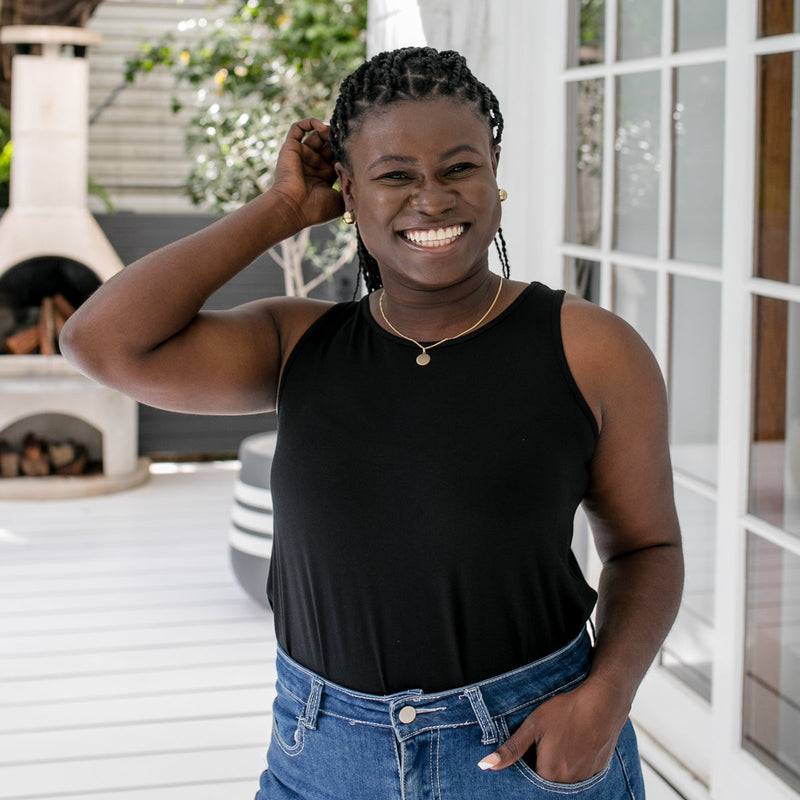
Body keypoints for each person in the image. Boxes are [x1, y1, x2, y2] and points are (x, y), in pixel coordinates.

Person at [61, 47, 683, 800]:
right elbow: (99, 342)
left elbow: (647, 547)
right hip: (320, 756)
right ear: (347, 191)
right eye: (395, 175)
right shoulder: (299, 344)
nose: (433, 198)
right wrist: (280, 212)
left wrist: (606, 699)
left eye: (460, 168)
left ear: (495, 176)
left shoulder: (589, 347)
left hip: (530, 753)